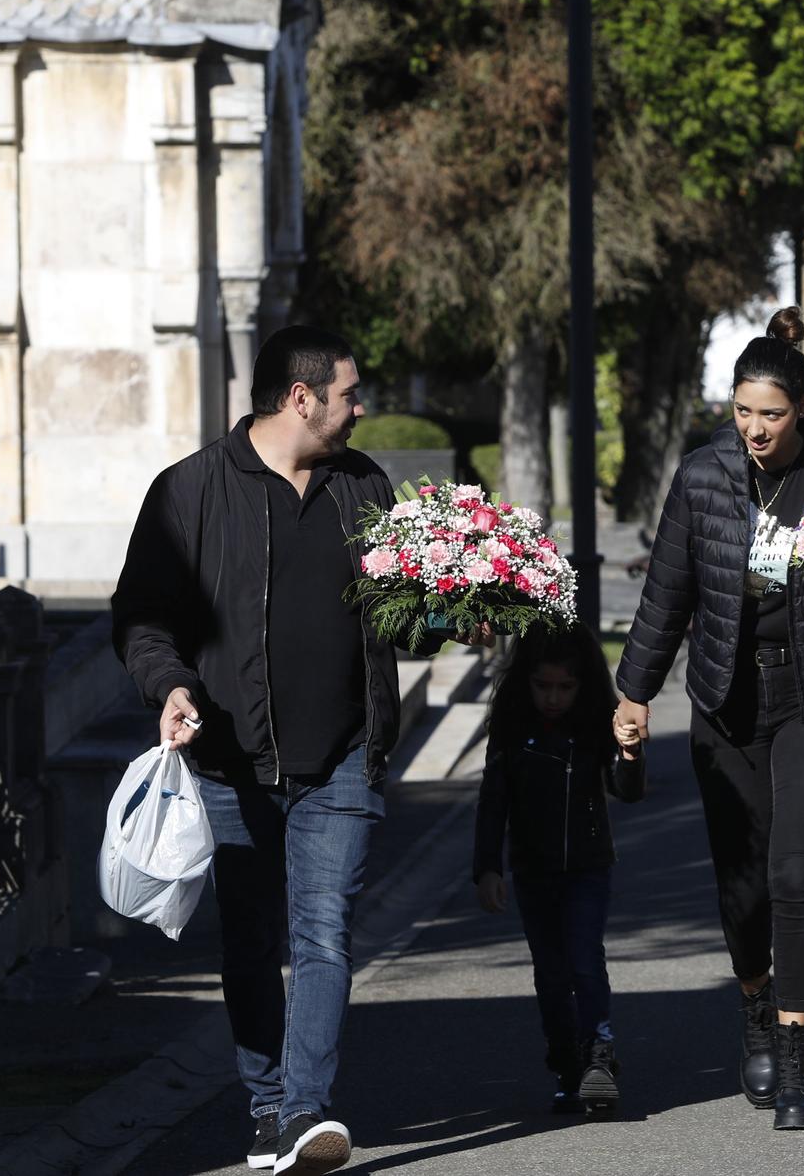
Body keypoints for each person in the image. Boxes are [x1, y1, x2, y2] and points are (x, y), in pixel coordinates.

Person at [112, 325, 460, 1175]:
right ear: (300, 398)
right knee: (249, 942)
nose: (359, 405)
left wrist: (454, 609)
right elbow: (143, 616)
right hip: (230, 763)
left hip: (341, 755)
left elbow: (399, 618)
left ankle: (305, 1108)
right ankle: (267, 1105)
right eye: (348, 391)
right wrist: (172, 687)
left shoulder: (363, 484)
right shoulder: (189, 491)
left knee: (326, 934)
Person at [612, 308, 804, 1132]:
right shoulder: (702, 477)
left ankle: (799, 1066)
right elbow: (667, 592)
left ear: (802, 408)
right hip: (725, 698)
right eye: (743, 411)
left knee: (794, 874)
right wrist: (633, 692)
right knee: (742, 884)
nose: (756, 428)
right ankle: (756, 1001)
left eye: (771, 413)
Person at [473, 628, 646, 1116]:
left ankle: (598, 1053)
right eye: (542, 686)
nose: (553, 698)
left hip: (588, 864)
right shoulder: (511, 727)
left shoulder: (595, 723)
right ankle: (567, 1062)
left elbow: (626, 790)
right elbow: (493, 800)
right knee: (551, 973)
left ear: (582, 685)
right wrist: (486, 867)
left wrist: (630, 753)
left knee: (585, 961)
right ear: (525, 683)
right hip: (533, 867)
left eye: (564, 687)